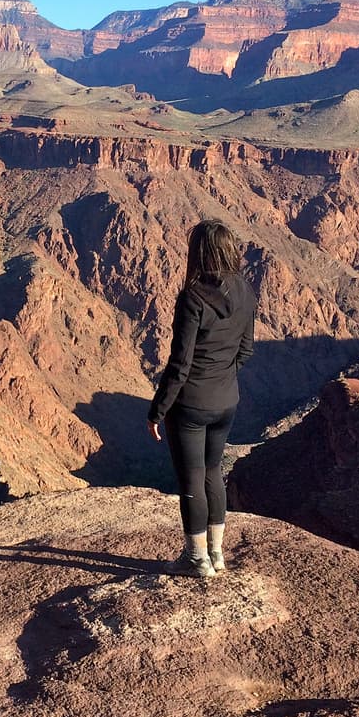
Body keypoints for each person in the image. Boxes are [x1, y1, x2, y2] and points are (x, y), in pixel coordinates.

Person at [147, 220, 256, 578]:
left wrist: (157, 410)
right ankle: (217, 553)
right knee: (213, 472)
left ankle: (195, 559)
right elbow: (246, 350)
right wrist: (223, 376)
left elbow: (180, 364)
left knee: (192, 477)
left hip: (191, 405)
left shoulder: (191, 298)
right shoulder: (245, 291)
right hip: (227, 401)